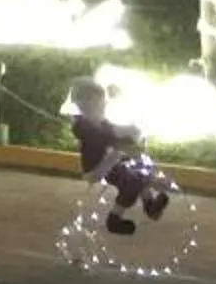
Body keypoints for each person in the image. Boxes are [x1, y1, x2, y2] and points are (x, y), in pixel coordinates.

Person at [68, 78, 172, 237]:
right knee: (131, 183)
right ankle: (115, 219)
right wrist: (121, 140)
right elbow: (104, 137)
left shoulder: (101, 123)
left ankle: (149, 204)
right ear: (83, 105)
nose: (101, 107)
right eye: (96, 104)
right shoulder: (81, 125)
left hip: (112, 162)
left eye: (100, 103)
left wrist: (130, 137)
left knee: (139, 172)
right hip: (99, 167)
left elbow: (113, 133)